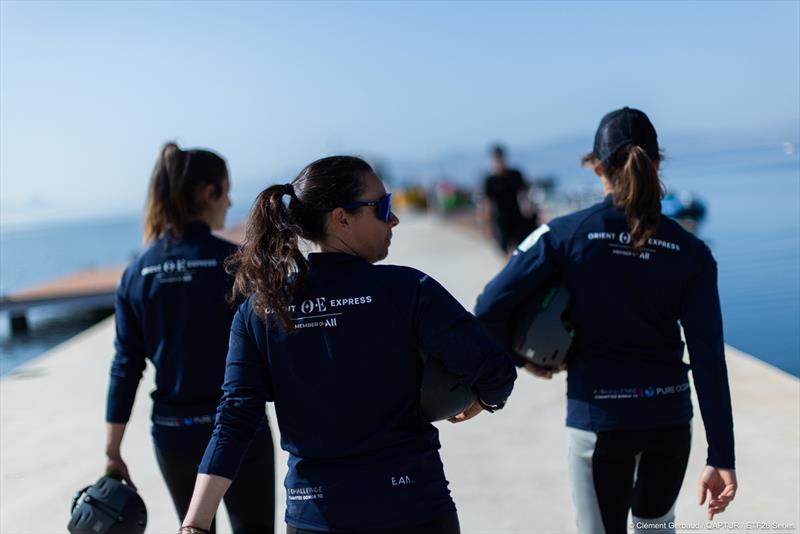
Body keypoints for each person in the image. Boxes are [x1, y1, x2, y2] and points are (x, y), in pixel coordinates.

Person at [178, 155, 517, 534]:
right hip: (412, 506)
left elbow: (235, 419)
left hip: (316, 516)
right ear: (341, 218)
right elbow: (495, 370)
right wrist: (481, 400)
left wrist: (196, 522)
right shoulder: (408, 290)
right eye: (382, 207)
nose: (394, 219)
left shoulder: (260, 310)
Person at [474, 108, 737, 534]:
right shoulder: (691, 251)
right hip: (669, 421)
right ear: (658, 163)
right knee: (656, 528)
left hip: (599, 422)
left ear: (596, 167)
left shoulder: (564, 235)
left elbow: (489, 307)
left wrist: (526, 359)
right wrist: (721, 456)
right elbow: (709, 358)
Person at [104, 142, 275, 533]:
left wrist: (112, 449)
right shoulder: (237, 264)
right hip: (240, 429)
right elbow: (272, 350)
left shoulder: (136, 274)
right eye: (226, 191)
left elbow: (125, 366)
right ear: (207, 193)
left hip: (173, 434)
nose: (230, 202)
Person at [482, 144, 533, 254]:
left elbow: (525, 194)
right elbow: (488, 205)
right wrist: (488, 226)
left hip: (518, 217)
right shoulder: (490, 181)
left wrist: (529, 209)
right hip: (501, 220)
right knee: (506, 252)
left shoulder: (515, 174)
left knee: (522, 250)